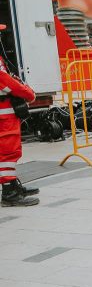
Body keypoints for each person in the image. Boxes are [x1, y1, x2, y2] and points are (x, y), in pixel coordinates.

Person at [0, 42, 39, 207]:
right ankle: (9, 192)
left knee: (8, 151)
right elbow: (5, 81)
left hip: (5, 113)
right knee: (7, 152)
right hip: (3, 115)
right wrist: (28, 93)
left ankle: (12, 184)